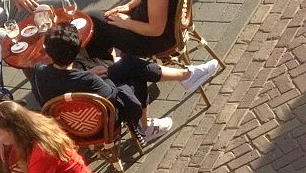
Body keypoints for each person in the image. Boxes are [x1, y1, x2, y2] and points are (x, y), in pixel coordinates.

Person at [33, 22, 219, 145]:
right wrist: (105, 72)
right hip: (103, 123)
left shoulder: (39, 73)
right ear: (77, 51)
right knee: (133, 70)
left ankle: (187, 76)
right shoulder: (88, 80)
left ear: (48, 53)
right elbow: (115, 96)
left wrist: (92, 73)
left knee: (128, 64)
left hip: (71, 126)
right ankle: (145, 128)